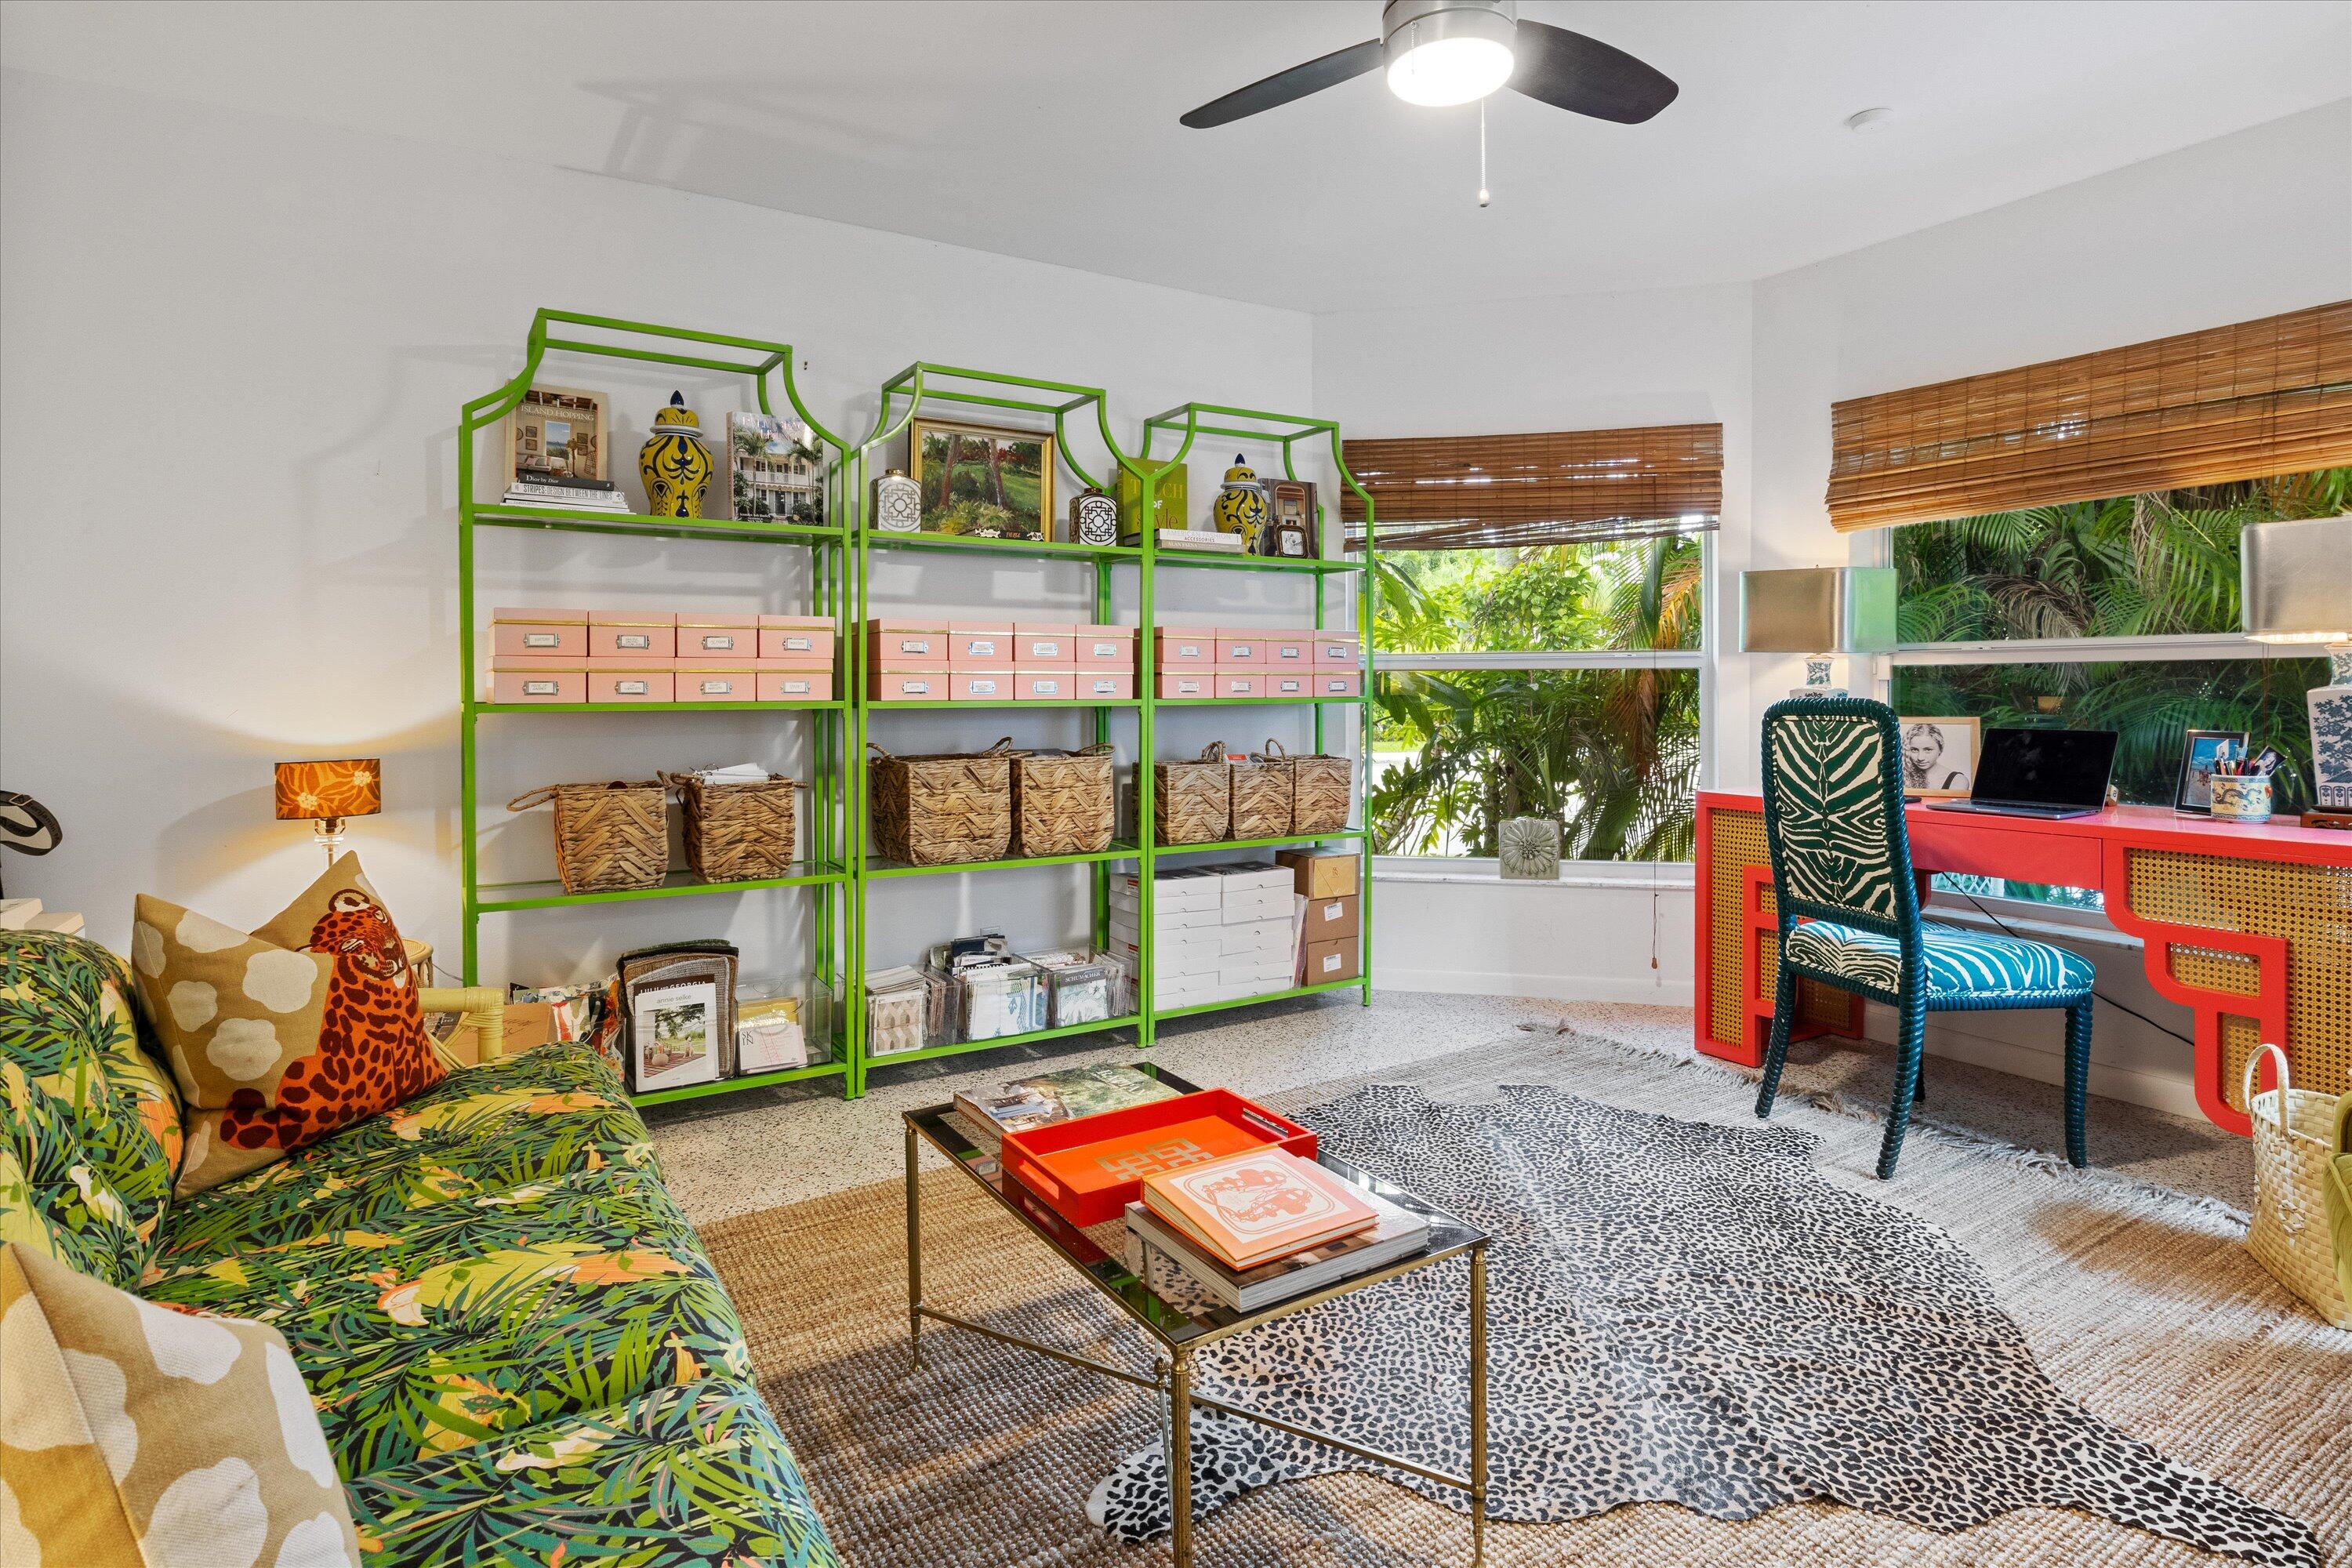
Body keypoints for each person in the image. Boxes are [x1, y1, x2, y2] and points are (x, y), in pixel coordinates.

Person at [1903, 724, 1971, 793]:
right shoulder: (1901, 777)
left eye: (1928, 750)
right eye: (1914, 750)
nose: (1920, 758)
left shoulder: (1957, 781)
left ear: (1940, 750)